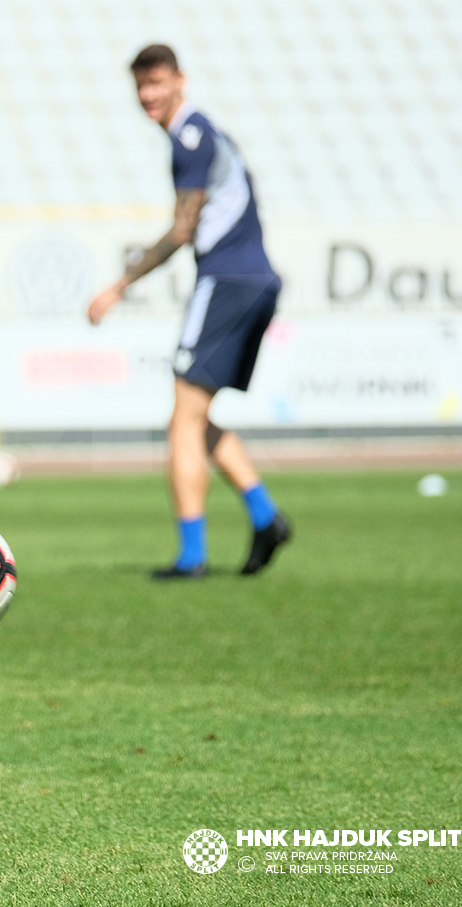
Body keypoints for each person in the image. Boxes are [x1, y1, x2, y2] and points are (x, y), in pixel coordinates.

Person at [88, 44, 293, 579]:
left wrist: (118, 286)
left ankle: (191, 556)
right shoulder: (203, 134)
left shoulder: (191, 137)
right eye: (141, 86)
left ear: (181, 80)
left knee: (181, 417)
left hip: (227, 279)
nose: (149, 95)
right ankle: (266, 517)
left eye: (157, 83)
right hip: (253, 278)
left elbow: (183, 230)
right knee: (194, 416)